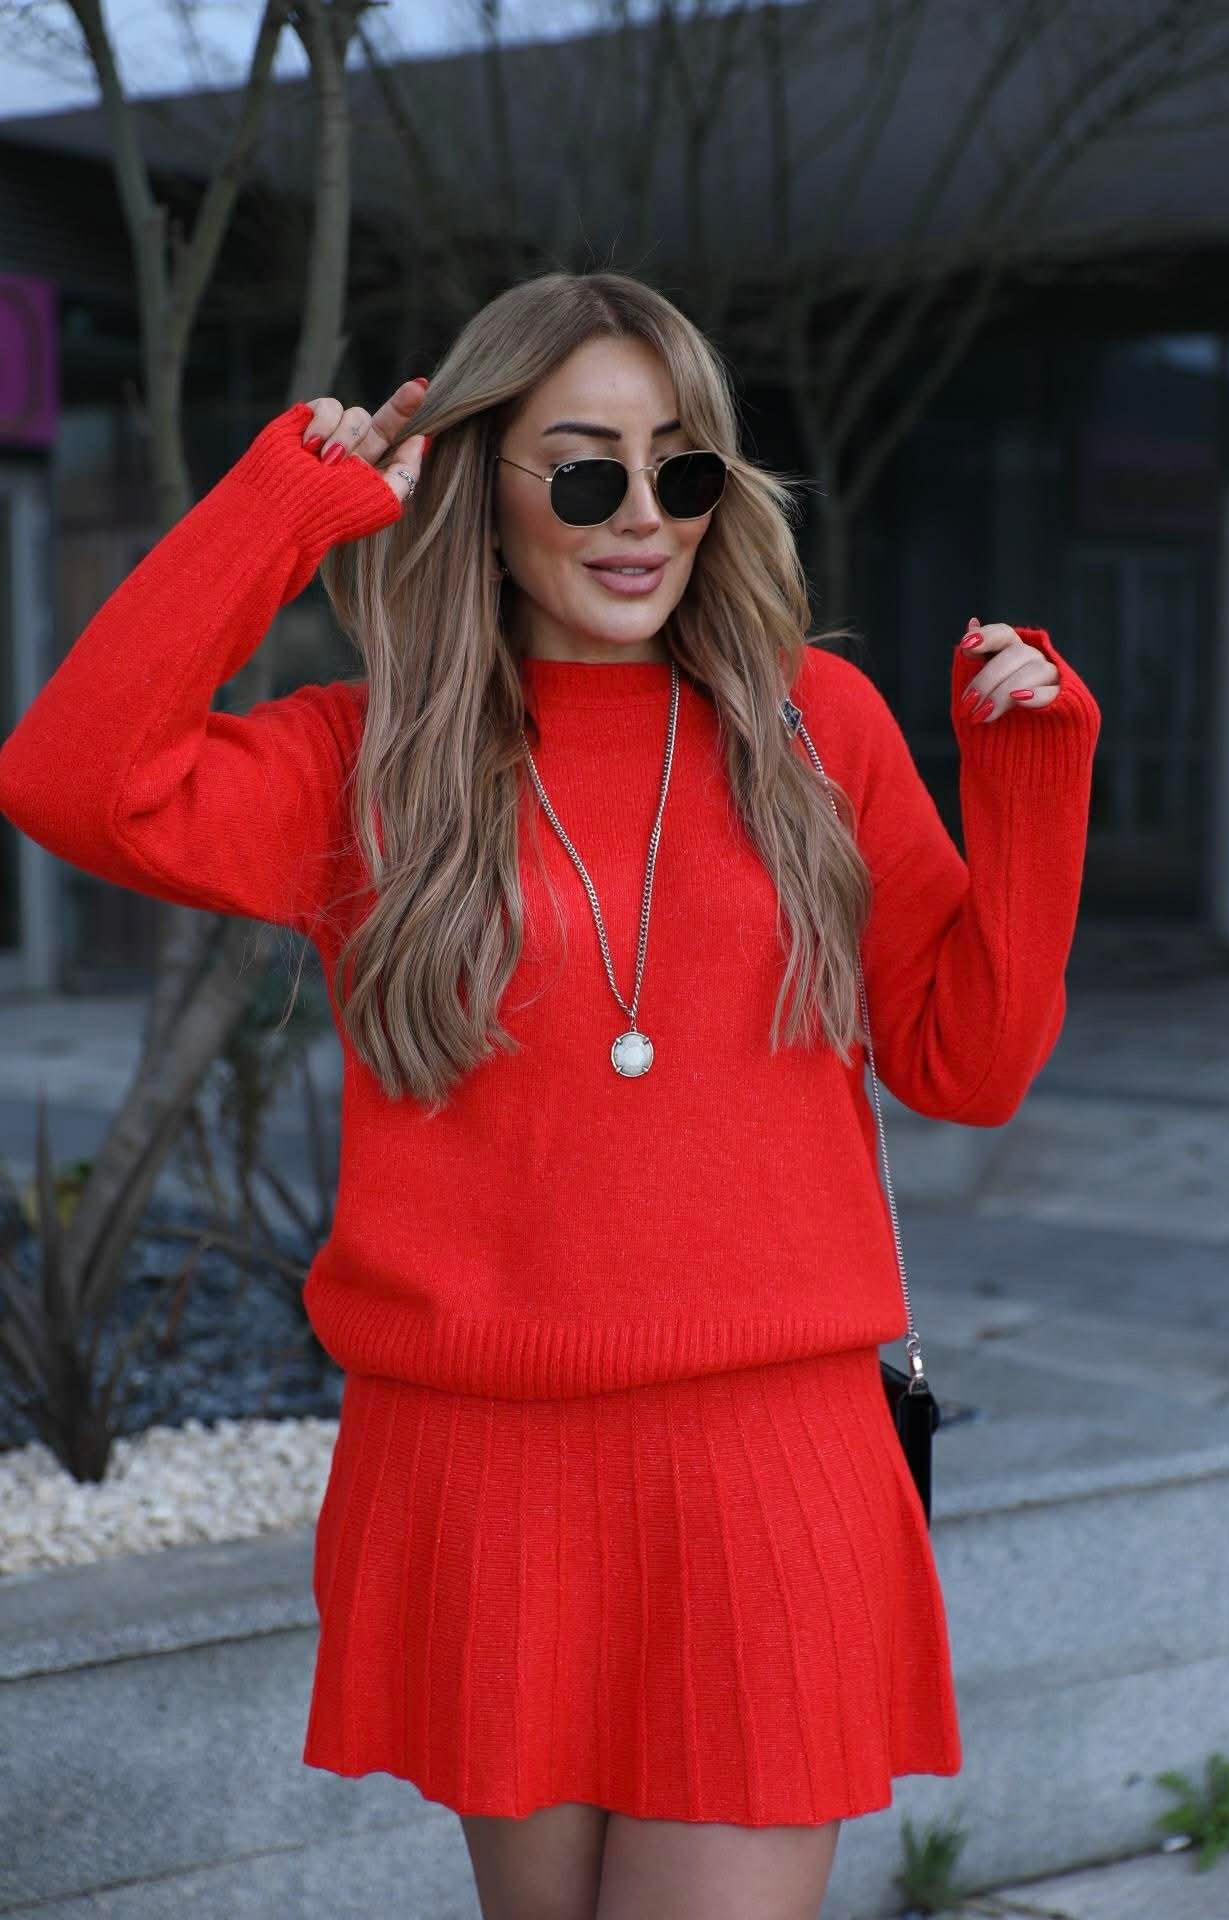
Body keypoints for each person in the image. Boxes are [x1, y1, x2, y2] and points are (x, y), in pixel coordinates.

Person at [0, 269, 1101, 1920]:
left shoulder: (813, 726)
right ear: (482, 487)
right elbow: (72, 778)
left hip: (764, 1461)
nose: (643, 515)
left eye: (682, 467)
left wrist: (1029, 780)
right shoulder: (377, 761)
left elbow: (972, 1061)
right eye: (585, 472)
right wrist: (291, 506)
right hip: (481, 1475)